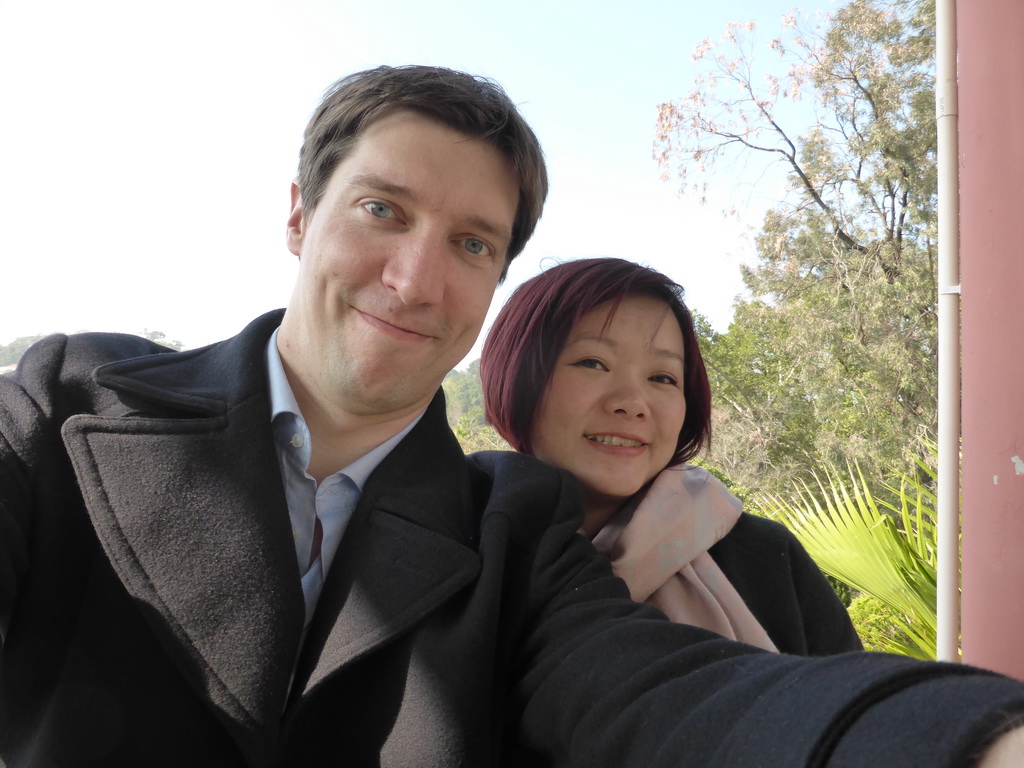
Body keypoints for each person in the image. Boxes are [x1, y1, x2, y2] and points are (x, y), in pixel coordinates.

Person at [1, 64, 1024, 767]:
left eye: (472, 243)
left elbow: (666, 692)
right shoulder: (65, 406)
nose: (413, 279)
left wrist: (971, 740)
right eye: (383, 211)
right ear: (300, 214)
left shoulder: (514, 530)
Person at [479, 257, 862, 656]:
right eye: (592, 363)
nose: (632, 403)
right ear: (517, 376)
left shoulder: (765, 558)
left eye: (662, 377)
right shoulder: (463, 549)